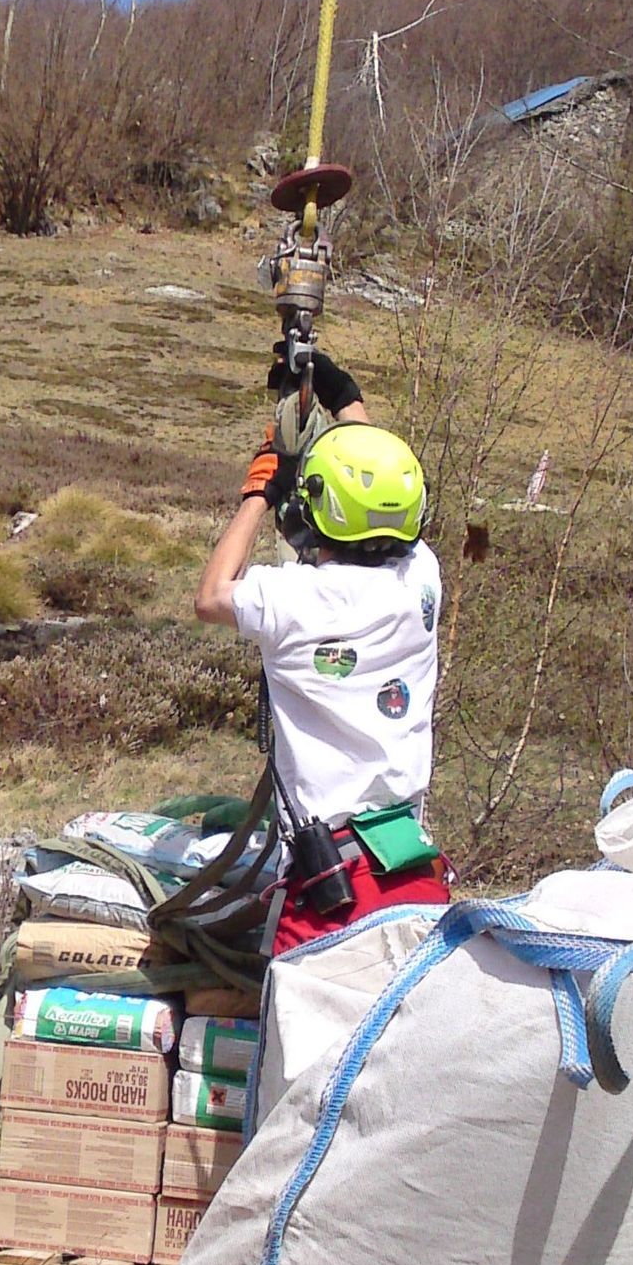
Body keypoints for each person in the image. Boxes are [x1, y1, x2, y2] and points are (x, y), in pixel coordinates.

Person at [195, 371, 446, 953]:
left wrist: (259, 490)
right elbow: (379, 484)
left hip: (329, 891)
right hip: (412, 871)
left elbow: (210, 596)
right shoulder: (421, 581)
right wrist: (344, 397)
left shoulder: (292, 600)